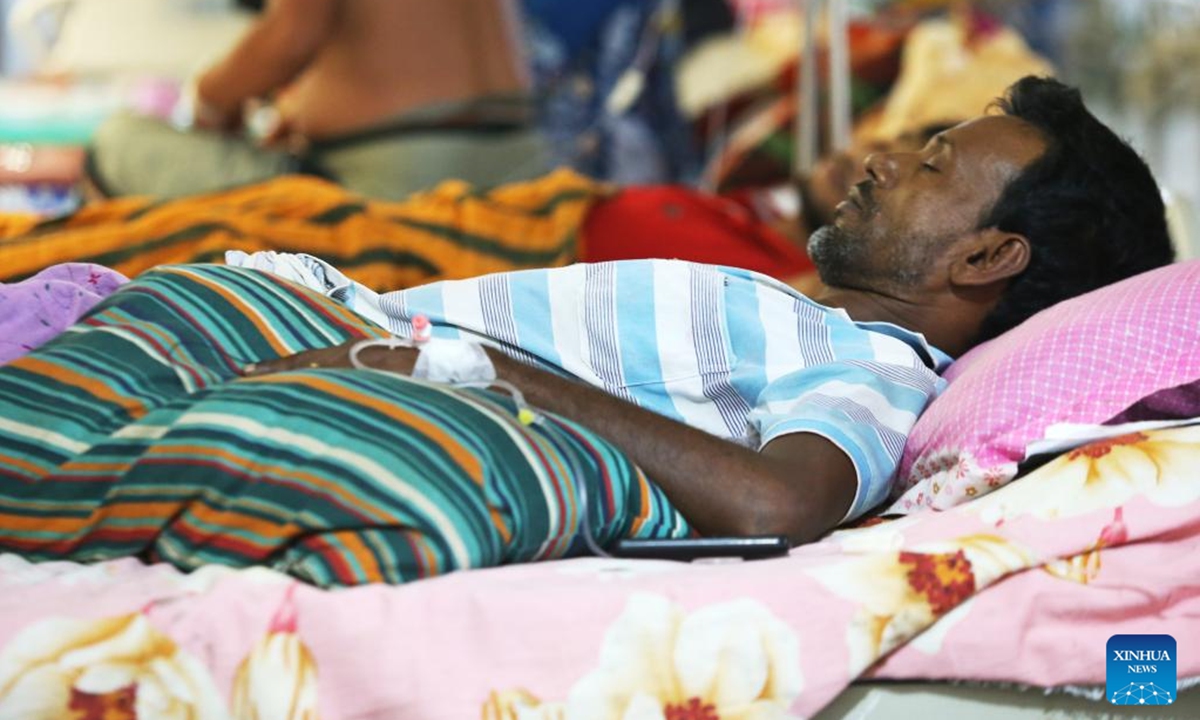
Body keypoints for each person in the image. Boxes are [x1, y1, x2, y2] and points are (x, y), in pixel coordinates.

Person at [242, 76, 1173, 543]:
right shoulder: (811, 323)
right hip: (304, 319)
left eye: (931, 164)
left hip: (333, 353)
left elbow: (777, 502)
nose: (881, 161)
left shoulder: (874, 372)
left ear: (986, 256)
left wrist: (475, 370)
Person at [86, 0, 550, 201]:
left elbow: (293, 34)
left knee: (119, 143)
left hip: (404, 179)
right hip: (524, 158)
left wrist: (209, 100)